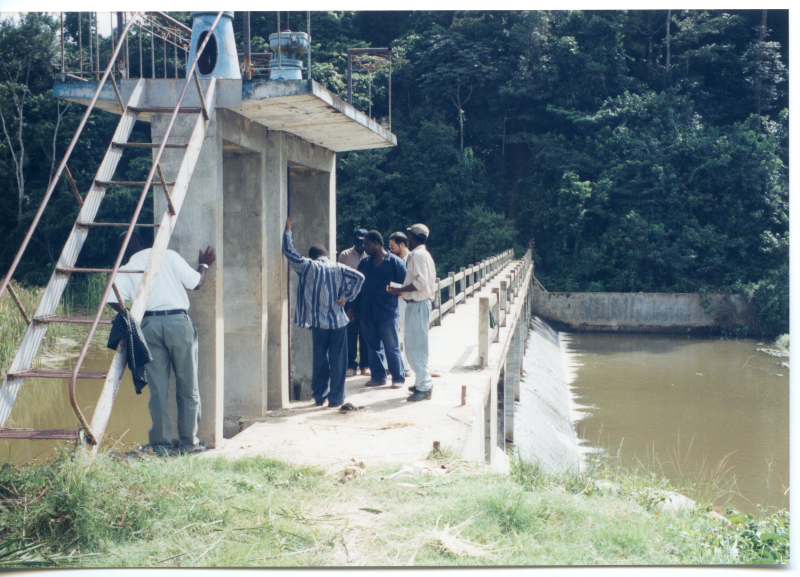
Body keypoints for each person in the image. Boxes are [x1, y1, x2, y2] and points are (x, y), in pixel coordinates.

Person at [106, 232, 216, 455]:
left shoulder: (126, 268)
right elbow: (197, 283)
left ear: (123, 252)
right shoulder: (168, 256)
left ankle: (161, 445)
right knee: (188, 386)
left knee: (158, 391)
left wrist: (129, 313)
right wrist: (203, 264)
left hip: (149, 326)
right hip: (178, 323)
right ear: (144, 242)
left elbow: (110, 299)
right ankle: (189, 444)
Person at [283, 217, 364, 408]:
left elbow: (289, 252)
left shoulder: (307, 266)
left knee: (319, 360)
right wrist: (345, 297)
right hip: (338, 322)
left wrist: (288, 230)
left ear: (312, 257)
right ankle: (336, 399)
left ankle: (320, 396)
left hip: (318, 323)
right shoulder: (338, 267)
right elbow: (360, 278)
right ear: (326, 255)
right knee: (339, 360)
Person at [348, 231, 407, 388]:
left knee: (391, 346)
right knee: (373, 347)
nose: (364, 247)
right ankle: (378, 376)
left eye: (366, 244)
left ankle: (398, 378)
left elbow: (405, 286)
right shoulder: (364, 264)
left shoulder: (396, 263)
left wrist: (397, 292)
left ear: (376, 243)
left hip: (387, 313)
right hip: (367, 312)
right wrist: (352, 307)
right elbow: (357, 288)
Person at [387, 224, 436, 402]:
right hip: (419, 303)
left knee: (416, 348)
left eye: (410, 236)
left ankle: (425, 386)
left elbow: (420, 282)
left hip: (418, 303)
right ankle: (421, 382)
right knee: (416, 345)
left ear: (413, 238)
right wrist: (403, 289)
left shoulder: (417, 255)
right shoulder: (425, 254)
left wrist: (399, 289)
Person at [338, 229, 370, 377]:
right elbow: (340, 277)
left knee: (365, 332)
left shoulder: (370, 254)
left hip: (365, 298)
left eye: (363, 244)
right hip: (350, 297)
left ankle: (365, 364)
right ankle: (351, 364)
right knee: (350, 332)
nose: (361, 247)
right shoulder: (345, 255)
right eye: (358, 244)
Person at [388, 231, 411, 376]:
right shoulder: (392, 260)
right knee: (392, 334)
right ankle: (391, 366)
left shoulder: (412, 259)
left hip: (407, 301)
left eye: (392, 246)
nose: (391, 250)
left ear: (402, 245)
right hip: (393, 301)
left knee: (407, 333)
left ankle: (407, 367)